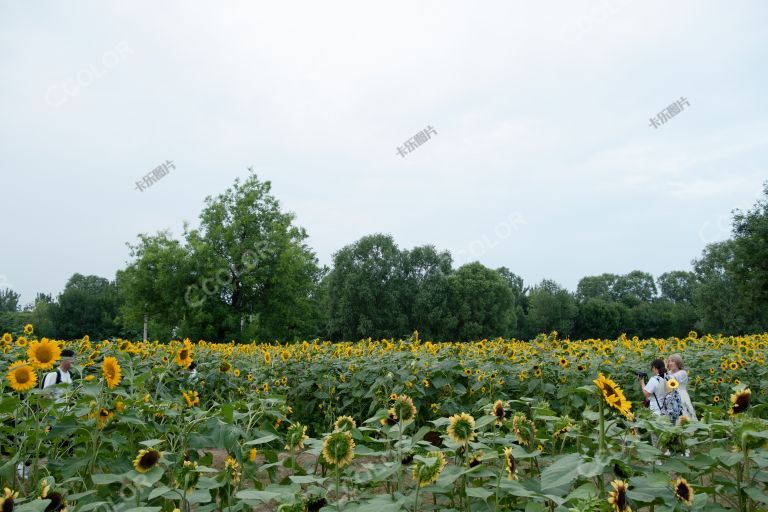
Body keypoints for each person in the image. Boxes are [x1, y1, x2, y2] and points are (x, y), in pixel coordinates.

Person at [667, 353, 697, 421]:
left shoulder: (682, 373)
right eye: (669, 361)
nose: (670, 363)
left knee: (684, 415)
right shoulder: (669, 373)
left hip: (681, 396)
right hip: (671, 397)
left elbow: (671, 379)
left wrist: (664, 371)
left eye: (672, 361)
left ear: (678, 363)